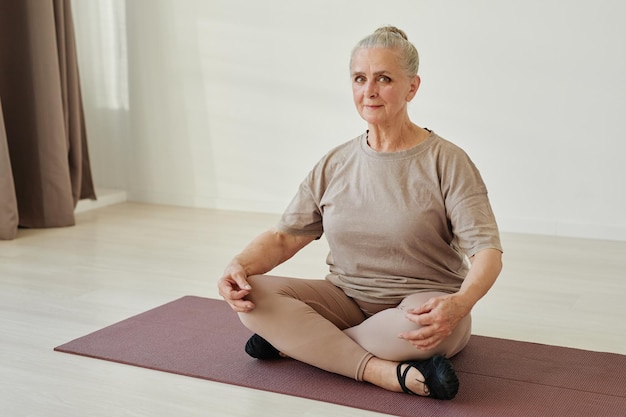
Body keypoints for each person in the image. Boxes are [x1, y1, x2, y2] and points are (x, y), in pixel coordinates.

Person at [218, 25, 503, 401]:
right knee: (251, 295)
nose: (369, 90)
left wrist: (461, 303)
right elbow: (284, 236)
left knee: (424, 329)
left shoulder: (446, 161)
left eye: (384, 79)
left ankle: (298, 346)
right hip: (346, 301)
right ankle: (381, 372)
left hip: (420, 306)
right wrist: (237, 265)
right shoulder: (335, 163)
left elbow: (487, 252)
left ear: (411, 88)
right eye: (359, 78)